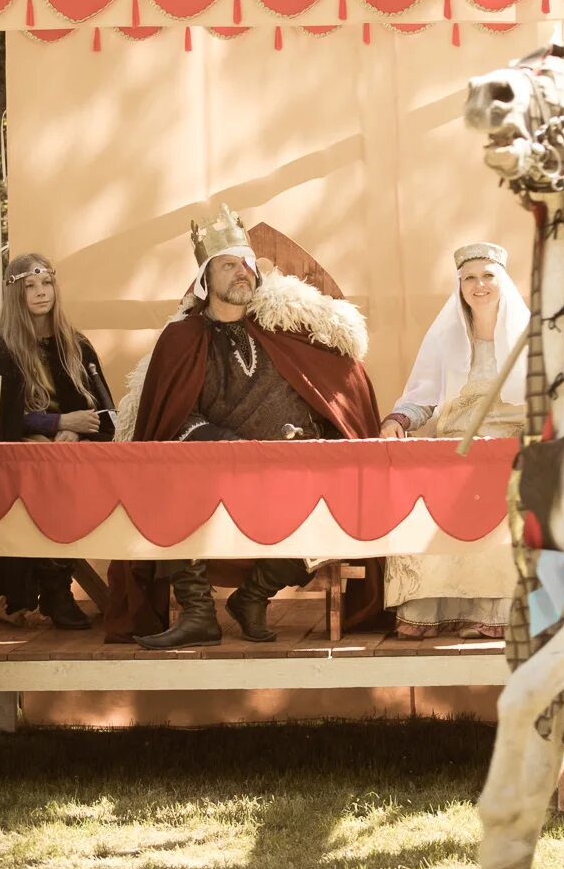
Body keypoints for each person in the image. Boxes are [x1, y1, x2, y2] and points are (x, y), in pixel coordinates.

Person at [106, 205, 384, 648]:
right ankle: (198, 613)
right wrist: (224, 444)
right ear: (205, 279)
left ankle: (253, 595)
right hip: (213, 472)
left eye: (247, 265)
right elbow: (171, 416)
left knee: (341, 496)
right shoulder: (182, 339)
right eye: (228, 265)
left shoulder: (284, 331)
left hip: (288, 471)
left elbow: (328, 388)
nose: (242, 272)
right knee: (172, 483)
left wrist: (306, 436)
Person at [380, 242, 529, 638]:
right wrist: (398, 419)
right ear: (460, 286)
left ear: (503, 281)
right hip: (455, 446)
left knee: (505, 491)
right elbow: (421, 398)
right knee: (421, 492)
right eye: (469, 278)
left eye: (487, 276)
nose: (479, 285)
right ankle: (426, 610)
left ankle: (498, 612)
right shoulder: (444, 338)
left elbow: (549, 398)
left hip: (510, 449)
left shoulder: (531, 337)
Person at [0, 254, 115, 630]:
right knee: (52, 480)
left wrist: (76, 429)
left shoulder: (75, 345)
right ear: (16, 294)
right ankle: (55, 590)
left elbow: (104, 411)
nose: (40, 293)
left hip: (71, 457)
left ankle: (59, 586)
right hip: (18, 462)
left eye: (46, 284)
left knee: (82, 475)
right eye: (30, 287)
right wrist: (55, 422)